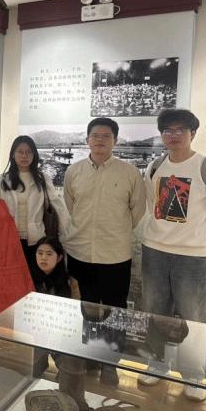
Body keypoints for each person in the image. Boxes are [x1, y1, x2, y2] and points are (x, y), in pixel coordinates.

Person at [139, 109, 206, 402]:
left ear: (193, 133)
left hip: (193, 257)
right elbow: (151, 205)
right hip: (155, 251)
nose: (173, 136)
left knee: (193, 317)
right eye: (168, 131)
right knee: (154, 312)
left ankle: (193, 374)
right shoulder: (155, 166)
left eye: (180, 130)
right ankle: (157, 364)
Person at [63, 117, 146, 387]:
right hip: (80, 252)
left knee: (114, 309)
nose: (100, 140)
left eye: (106, 136)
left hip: (115, 254)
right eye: (95, 136)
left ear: (115, 141)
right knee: (84, 306)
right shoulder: (74, 172)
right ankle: (87, 358)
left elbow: (137, 211)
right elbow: (71, 206)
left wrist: (115, 231)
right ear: (87, 140)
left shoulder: (130, 173)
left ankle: (110, 363)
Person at [29, 236, 89, 411]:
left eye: (49, 254)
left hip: (62, 334)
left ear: (60, 257)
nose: (43, 258)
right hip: (35, 334)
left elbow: (76, 315)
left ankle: (72, 405)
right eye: (40, 253)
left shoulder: (70, 282)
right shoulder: (28, 279)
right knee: (28, 372)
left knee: (72, 366)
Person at [0, 136, 70, 268]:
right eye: (20, 152)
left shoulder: (42, 179)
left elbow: (58, 208)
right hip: (9, 240)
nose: (24, 156)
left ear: (34, 155)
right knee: (14, 276)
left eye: (29, 152)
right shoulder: (2, 180)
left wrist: (64, 238)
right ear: (13, 155)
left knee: (35, 277)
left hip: (37, 240)